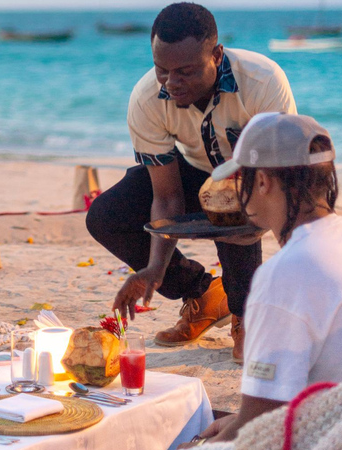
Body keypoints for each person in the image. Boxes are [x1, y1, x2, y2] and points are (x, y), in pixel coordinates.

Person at [86, 2, 296, 362]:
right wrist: (155, 268)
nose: (171, 83)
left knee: (231, 212)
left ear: (216, 55)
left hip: (261, 177)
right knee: (106, 216)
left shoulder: (263, 82)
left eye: (184, 71)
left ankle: (246, 315)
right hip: (195, 172)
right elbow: (166, 197)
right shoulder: (147, 98)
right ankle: (202, 293)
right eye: (161, 70)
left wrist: (261, 223)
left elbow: (284, 176)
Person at [183, 112, 342, 446]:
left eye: (241, 180)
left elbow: (259, 420)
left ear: (262, 182)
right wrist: (238, 419)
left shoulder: (284, 275)